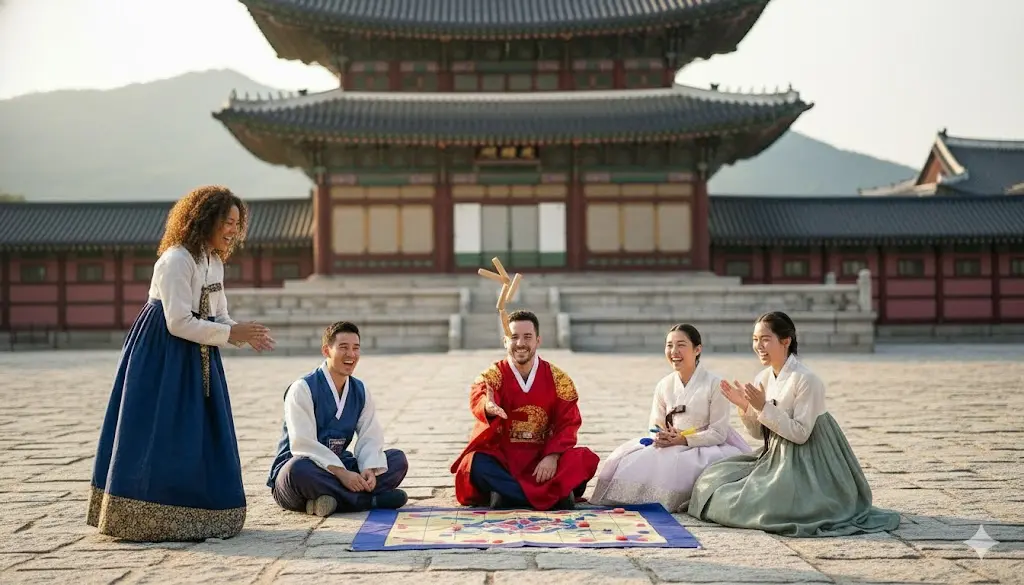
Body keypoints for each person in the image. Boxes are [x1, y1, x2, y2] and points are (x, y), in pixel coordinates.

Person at [87, 185, 274, 542]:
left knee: (201, 431)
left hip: (199, 353)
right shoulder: (176, 259)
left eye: (237, 223)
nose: (233, 229)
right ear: (206, 219)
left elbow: (219, 314)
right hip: (162, 354)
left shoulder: (213, 260)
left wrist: (240, 332)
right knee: (159, 429)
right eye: (227, 221)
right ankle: (142, 514)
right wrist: (231, 333)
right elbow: (177, 321)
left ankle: (201, 513)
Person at [688, 311, 901, 537]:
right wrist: (747, 408)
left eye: (765, 339)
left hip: (809, 460)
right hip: (775, 455)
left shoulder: (807, 380)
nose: (759, 346)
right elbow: (761, 434)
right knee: (713, 479)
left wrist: (764, 407)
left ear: (786, 341)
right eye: (755, 340)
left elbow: (800, 434)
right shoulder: (763, 378)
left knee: (757, 503)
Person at [591, 324, 752, 512]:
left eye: (681, 345)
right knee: (629, 459)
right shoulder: (664, 385)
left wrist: (684, 439)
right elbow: (655, 425)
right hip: (671, 442)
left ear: (697, 349)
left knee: (678, 464)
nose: (674, 351)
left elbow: (719, 432)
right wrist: (662, 436)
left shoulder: (715, 384)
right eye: (669, 345)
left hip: (706, 445)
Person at [450, 310, 599, 511]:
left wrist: (552, 456)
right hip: (505, 462)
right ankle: (553, 497)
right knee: (473, 463)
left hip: (543, 462)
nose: (520, 343)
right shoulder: (494, 374)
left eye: (527, 337)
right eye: (514, 337)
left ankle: (509, 496)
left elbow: (569, 423)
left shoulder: (559, 379)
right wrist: (488, 406)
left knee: (583, 458)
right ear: (505, 341)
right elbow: (480, 393)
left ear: (538, 340)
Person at [267, 321, 409, 516]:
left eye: (355, 348)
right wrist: (342, 474)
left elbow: (370, 434)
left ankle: (330, 501)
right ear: (326, 350)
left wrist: (368, 468)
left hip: (341, 465)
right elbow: (303, 443)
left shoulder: (360, 390)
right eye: (343, 347)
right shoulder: (302, 388)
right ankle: (369, 501)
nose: (351, 354)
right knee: (297, 469)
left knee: (397, 459)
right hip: (302, 473)